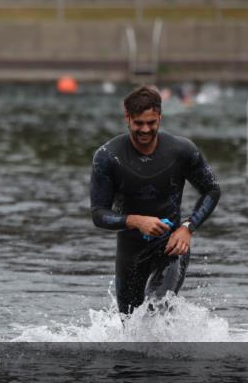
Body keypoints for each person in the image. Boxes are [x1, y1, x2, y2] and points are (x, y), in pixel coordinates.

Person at [89, 85, 221, 315]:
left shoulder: (182, 150)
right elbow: (98, 214)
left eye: (151, 122)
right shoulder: (108, 157)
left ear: (160, 116)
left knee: (155, 309)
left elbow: (212, 190)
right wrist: (136, 221)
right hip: (130, 252)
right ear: (127, 118)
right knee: (131, 326)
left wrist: (187, 228)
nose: (145, 129)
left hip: (170, 247)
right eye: (138, 123)